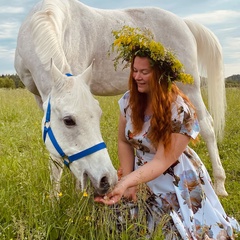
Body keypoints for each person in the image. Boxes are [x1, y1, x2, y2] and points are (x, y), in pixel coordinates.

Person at [94, 26, 239, 239]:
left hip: (173, 176)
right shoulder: (128, 101)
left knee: (174, 231)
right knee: (112, 218)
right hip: (140, 171)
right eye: (135, 70)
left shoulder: (180, 111)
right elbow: (123, 141)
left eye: (145, 72)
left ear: (160, 74)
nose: (137, 77)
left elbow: (162, 161)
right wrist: (128, 178)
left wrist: (128, 181)